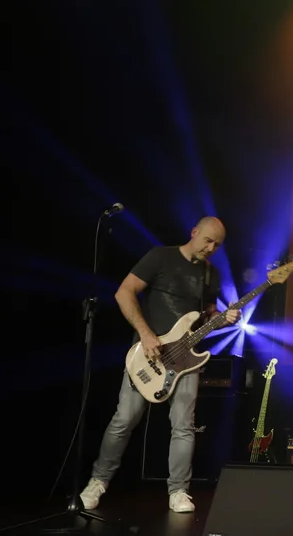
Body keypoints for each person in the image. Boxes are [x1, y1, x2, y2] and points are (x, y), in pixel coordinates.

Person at [80, 217, 241, 513]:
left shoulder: (211, 274)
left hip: (186, 361)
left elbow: (206, 318)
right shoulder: (160, 257)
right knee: (124, 419)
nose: (211, 248)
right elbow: (124, 292)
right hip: (148, 355)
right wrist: (145, 333)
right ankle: (98, 481)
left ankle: (178, 491)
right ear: (194, 232)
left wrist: (224, 319)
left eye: (217, 245)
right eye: (207, 240)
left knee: (184, 426)